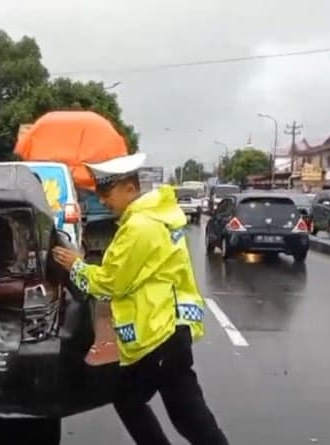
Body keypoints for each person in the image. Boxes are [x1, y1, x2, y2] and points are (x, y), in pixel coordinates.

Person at [52, 153, 229, 445]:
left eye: (107, 193)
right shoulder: (155, 218)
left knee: (184, 416)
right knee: (147, 404)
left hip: (158, 334)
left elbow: (110, 284)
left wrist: (76, 266)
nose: (103, 200)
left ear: (130, 189)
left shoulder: (139, 228)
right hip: (166, 329)